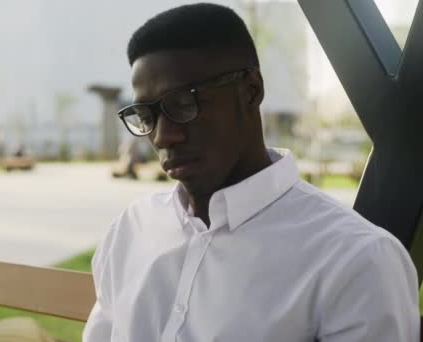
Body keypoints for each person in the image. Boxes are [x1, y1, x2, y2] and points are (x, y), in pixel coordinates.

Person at [82, 3, 420, 342]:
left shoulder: (357, 261)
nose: (161, 136)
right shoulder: (130, 231)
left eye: (184, 103)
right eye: (146, 115)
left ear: (251, 91)